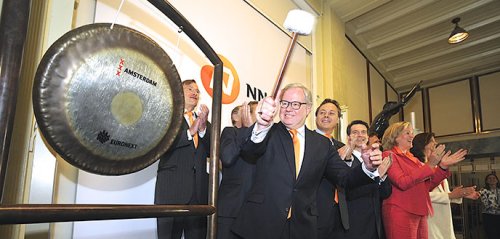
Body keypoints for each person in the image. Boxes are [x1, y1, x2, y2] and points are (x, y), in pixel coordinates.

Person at [230, 83, 385, 239]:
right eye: (284, 103)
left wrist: (367, 167)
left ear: (308, 109)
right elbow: (250, 150)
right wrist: (262, 125)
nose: (288, 108)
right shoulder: (267, 131)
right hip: (261, 223)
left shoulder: (322, 144)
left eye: (295, 104)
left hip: (302, 227)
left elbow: (344, 177)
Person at [381, 122, 467, 239]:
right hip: (400, 211)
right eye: (407, 133)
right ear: (395, 137)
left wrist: (442, 167)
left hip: (420, 212)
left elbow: (427, 185)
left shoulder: (413, 160)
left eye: (412, 133)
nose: (412, 136)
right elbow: (402, 182)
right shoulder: (389, 155)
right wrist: (430, 164)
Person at [154, 79, 211, 239]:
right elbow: (160, 145)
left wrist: (202, 130)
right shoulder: (167, 117)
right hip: (171, 191)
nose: (195, 93)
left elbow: (214, 151)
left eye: (197, 91)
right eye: (190, 89)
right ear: (179, 92)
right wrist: (189, 133)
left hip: (198, 194)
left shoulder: (205, 122)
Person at [410, 132, 479, 239]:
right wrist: (450, 196)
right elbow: (418, 194)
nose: (436, 143)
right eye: (432, 141)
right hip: (429, 218)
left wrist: (460, 194)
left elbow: (443, 194)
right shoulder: (417, 168)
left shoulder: (438, 168)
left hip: (443, 216)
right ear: (422, 144)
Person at [333, 120, 392, 239]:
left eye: (363, 132)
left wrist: (382, 176)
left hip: (375, 222)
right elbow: (347, 188)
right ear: (348, 137)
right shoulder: (342, 158)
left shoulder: (375, 158)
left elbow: (385, 193)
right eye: (355, 132)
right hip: (354, 222)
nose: (360, 135)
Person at [217, 101, 258, 239]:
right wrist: (246, 130)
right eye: (254, 112)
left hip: (255, 211)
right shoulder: (230, 132)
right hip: (231, 209)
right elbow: (227, 158)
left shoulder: (263, 140)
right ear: (236, 116)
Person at [313, 98, 349, 239]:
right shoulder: (306, 140)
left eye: (331, 113)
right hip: (314, 211)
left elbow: (348, 178)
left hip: (340, 213)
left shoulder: (342, 147)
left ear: (338, 120)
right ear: (316, 117)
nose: (326, 115)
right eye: (322, 112)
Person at [478, 173, 500, 239]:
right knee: (492, 234)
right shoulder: (483, 191)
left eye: (494, 178)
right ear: (487, 181)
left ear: (497, 180)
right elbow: (486, 204)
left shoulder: (499, 190)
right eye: (489, 178)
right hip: (489, 216)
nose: (492, 180)